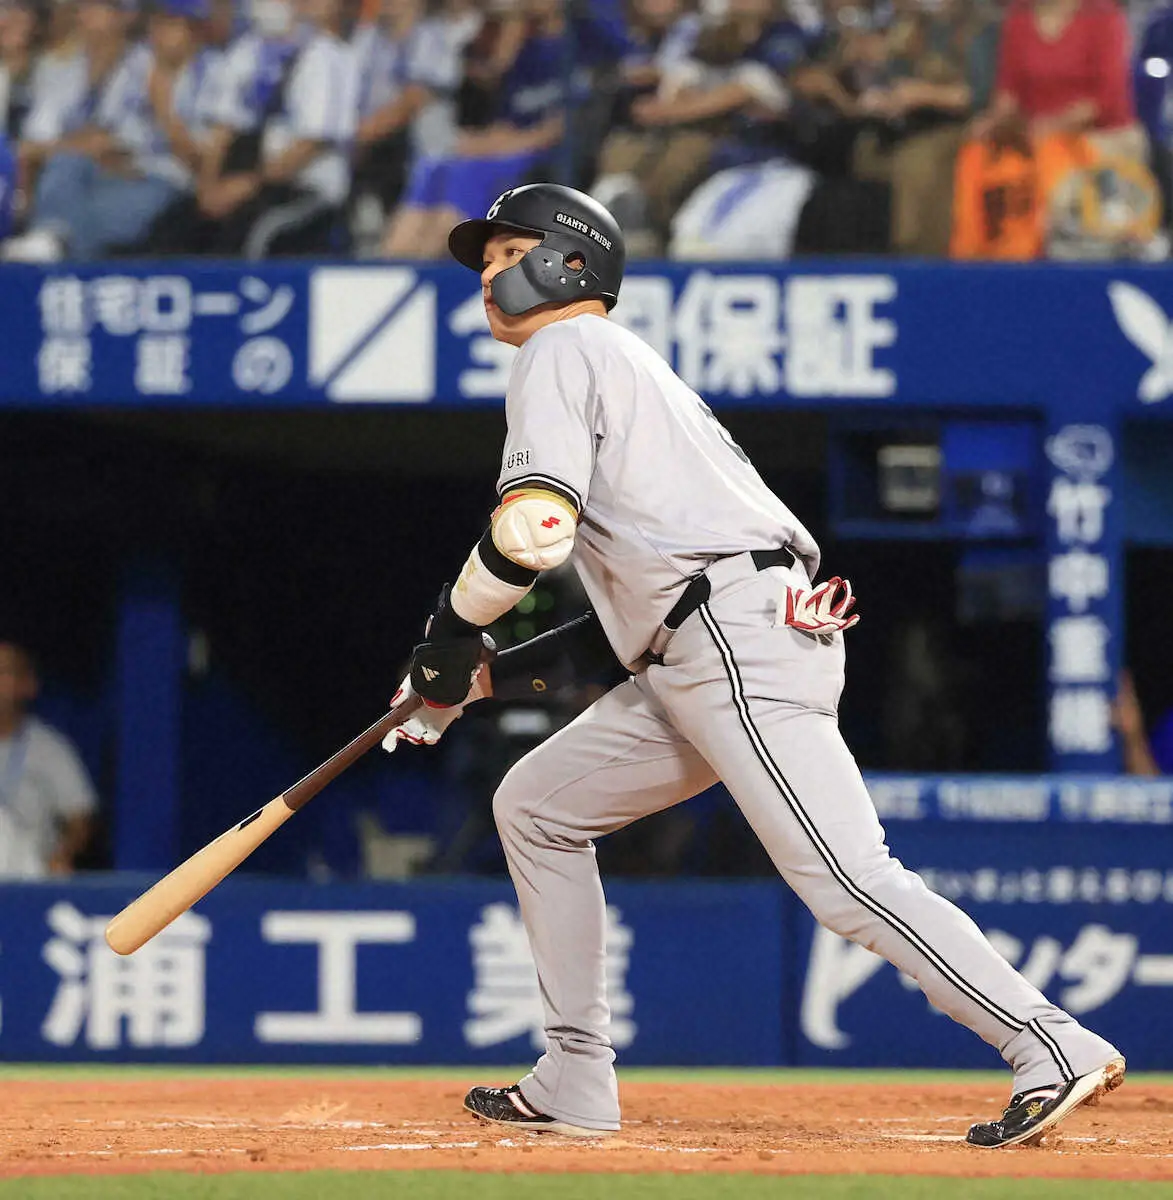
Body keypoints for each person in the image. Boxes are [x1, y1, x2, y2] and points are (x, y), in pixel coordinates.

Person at [380, 181, 1126, 1147]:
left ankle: (1049, 1042)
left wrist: (448, 628)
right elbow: (641, 611)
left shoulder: (567, 347)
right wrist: (479, 673)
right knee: (536, 806)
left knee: (844, 876)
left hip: (732, 634)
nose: (486, 276)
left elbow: (534, 526)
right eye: (482, 260)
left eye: (504, 253)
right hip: (702, 639)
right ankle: (573, 1075)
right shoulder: (617, 369)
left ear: (569, 262)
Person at [0, 639, 96, 879]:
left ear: (28, 684)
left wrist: (62, 856)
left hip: (28, 876)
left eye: (4, 672)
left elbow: (80, 818)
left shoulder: (48, 748)